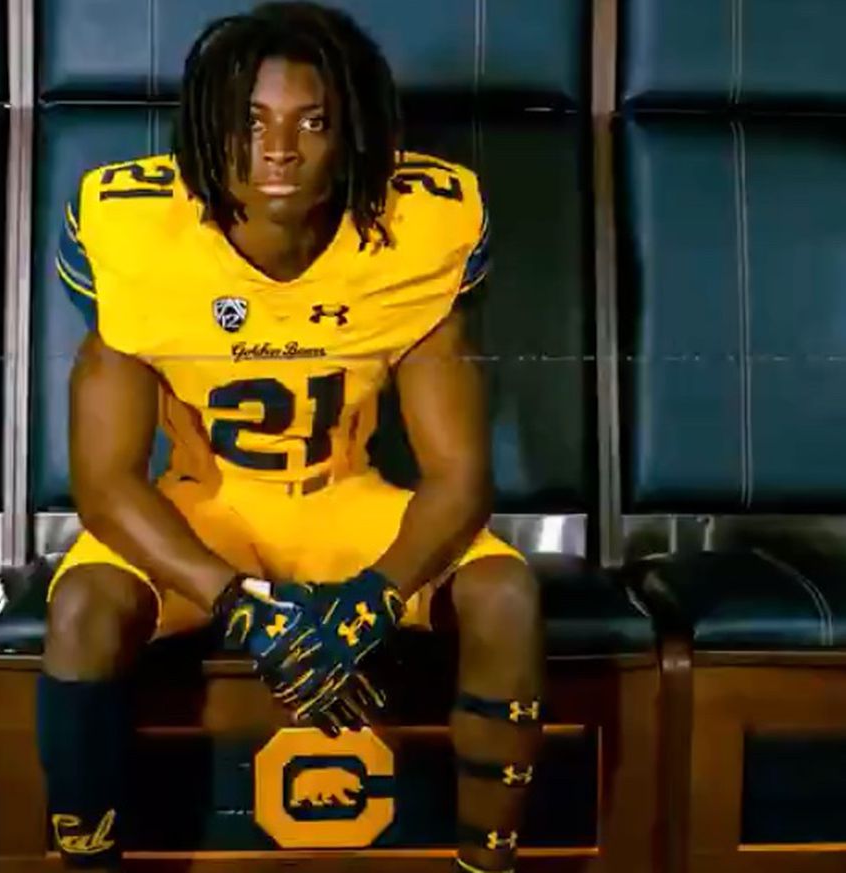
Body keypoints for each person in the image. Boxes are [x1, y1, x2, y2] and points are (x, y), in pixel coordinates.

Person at [39, 3, 544, 871]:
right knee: (82, 605)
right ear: (208, 129)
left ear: (352, 134)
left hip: (342, 495)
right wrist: (237, 606)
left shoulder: (416, 229)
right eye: (250, 122)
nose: (278, 149)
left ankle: (487, 863)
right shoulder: (136, 233)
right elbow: (106, 481)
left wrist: (377, 595)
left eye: (312, 122)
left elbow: (460, 474)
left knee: (507, 594)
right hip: (206, 506)